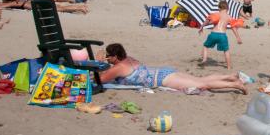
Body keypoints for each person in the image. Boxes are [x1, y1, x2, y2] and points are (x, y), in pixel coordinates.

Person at [98, 43, 246, 93]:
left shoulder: (118, 67)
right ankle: (231, 76)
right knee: (201, 79)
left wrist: (99, 64)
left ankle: (235, 84)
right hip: (164, 71)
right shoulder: (129, 59)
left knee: (202, 85)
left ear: (115, 57)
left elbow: (101, 80)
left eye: (108, 57)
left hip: (163, 79)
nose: (107, 59)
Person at [199, 1, 242, 69]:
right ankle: (228, 66)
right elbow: (233, 27)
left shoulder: (215, 14)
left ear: (219, 8)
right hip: (222, 35)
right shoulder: (229, 17)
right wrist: (238, 37)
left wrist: (201, 27)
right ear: (228, 9)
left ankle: (204, 59)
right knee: (226, 51)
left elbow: (207, 21)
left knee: (205, 46)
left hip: (213, 34)